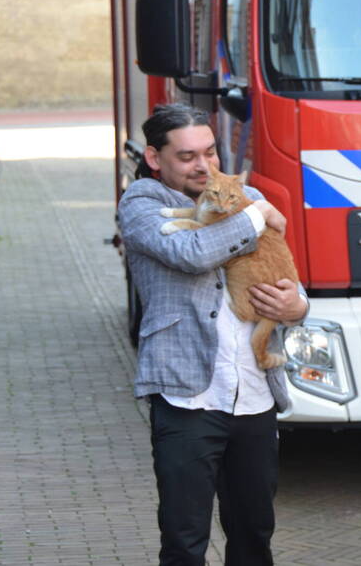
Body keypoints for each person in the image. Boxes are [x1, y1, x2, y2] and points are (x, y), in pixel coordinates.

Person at [117, 103, 308, 566]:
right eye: (187, 156)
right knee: (184, 540)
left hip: (254, 395)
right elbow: (191, 251)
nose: (204, 165)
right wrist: (257, 213)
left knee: (254, 534)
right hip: (187, 397)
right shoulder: (142, 203)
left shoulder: (240, 198)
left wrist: (297, 306)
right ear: (155, 157)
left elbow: (287, 274)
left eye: (210, 152)